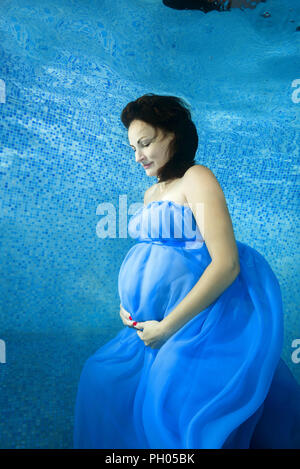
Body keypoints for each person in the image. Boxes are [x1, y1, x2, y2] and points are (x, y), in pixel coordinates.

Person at [73, 94, 300, 449]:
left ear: (174, 135)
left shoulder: (197, 177)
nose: (138, 156)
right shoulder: (152, 193)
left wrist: (166, 328)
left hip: (190, 326)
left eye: (145, 143)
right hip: (148, 329)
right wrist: (129, 304)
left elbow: (226, 263)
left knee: (174, 415)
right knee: (98, 379)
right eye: (133, 147)